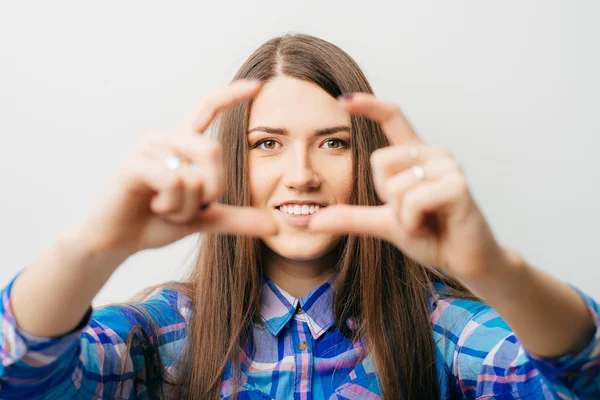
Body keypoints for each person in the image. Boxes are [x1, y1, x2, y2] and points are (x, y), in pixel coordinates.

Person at [0, 33, 598, 400]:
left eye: (334, 142)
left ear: (368, 160)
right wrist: (96, 247)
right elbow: (20, 378)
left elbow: (584, 378)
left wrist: (494, 269)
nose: (302, 173)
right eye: (267, 144)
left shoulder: (444, 332)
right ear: (233, 161)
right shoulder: (161, 335)